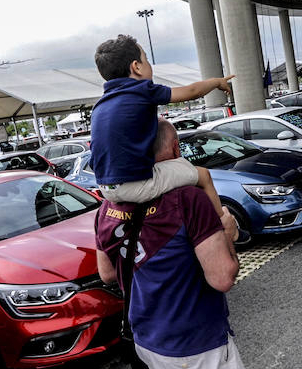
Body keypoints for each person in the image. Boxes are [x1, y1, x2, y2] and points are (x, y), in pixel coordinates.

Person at [95, 119, 251, 369]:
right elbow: (222, 278)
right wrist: (228, 233)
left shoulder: (108, 207)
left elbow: (107, 273)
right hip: (198, 344)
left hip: (148, 339)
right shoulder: (187, 200)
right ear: (177, 149)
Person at [91, 34, 238, 238]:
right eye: (147, 59)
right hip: (135, 185)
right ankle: (223, 228)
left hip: (106, 188)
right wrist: (216, 81)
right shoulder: (141, 90)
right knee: (203, 175)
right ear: (137, 67)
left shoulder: (101, 104)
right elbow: (193, 91)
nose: (149, 65)